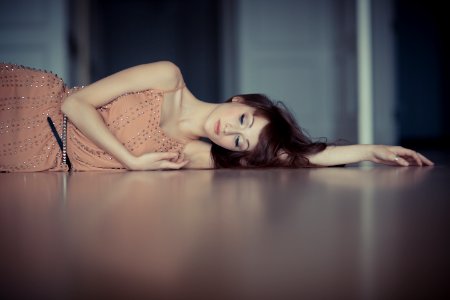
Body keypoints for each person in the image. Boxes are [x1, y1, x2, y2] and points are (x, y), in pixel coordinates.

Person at [0, 61, 433, 172]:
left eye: (241, 141)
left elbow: (292, 156)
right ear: (240, 100)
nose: (230, 131)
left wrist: (371, 150)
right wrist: (130, 162)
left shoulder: (190, 154)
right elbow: (74, 105)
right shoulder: (167, 77)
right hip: (27, 105)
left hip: (37, 162)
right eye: (243, 121)